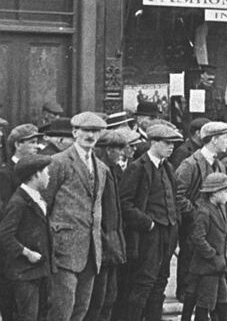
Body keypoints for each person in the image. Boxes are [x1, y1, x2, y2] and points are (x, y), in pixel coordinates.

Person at [44, 112, 110, 321]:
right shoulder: (58, 162)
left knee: (81, 308)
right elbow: (44, 203)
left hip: (91, 249)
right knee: (62, 308)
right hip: (64, 248)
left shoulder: (101, 167)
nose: (90, 135)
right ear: (75, 132)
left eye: (95, 131)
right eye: (86, 130)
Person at [120, 124, 183, 321]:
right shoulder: (137, 168)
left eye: (173, 143)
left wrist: (175, 226)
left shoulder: (168, 168)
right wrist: (147, 223)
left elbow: (173, 198)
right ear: (153, 142)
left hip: (168, 232)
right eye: (166, 143)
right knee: (144, 282)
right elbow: (125, 203)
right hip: (150, 235)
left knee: (160, 282)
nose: (171, 147)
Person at [175, 122, 227, 321]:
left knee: (211, 287)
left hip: (214, 232)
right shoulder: (189, 164)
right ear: (214, 139)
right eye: (226, 137)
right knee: (194, 284)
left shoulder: (219, 163)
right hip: (195, 230)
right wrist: (198, 212)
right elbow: (178, 195)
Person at [0, 155, 54, 321]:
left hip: (39, 271)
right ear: (36, 175)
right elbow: (4, 234)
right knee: (27, 317)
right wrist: (26, 253)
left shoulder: (36, 198)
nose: (49, 176)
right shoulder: (19, 202)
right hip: (24, 274)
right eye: (46, 172)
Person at [84, 130, 129, 321]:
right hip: (102, 244)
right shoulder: (100, 171)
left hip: (111, 243)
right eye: (118, 149)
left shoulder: (111, 170)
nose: (122, 153)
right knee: (98, 299)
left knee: (109, 296)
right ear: (107, 149)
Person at [189, 172, 227, 321]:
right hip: (207, 267)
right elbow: (198, 238)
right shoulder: (203, 211)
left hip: (218, 266)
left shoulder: (220, 208)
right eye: (226, 191)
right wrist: (212, 255)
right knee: (206, 301)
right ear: (215, 193)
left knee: (222, 299)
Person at [0, 124, 45, 203]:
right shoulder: (5, 173)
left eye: (37, 142)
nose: (37, 146)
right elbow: (7, 206)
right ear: (18, 145)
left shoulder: (34, 170)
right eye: (32, 142)